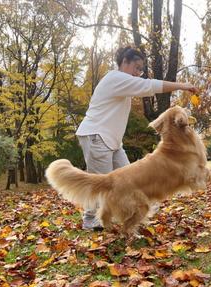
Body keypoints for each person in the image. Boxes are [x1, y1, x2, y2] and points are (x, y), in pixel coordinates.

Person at [75, 45, 199, 230]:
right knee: (101, 181)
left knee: (132, 177)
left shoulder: (122, 83)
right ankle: (90, 219)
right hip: (97, 137)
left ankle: (135, 209)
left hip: (113, 142)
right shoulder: (116, 78)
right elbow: (149, 86)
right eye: (137, 67)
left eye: (141, 69)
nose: (139, 73)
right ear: (124, 62)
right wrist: (182, 86)